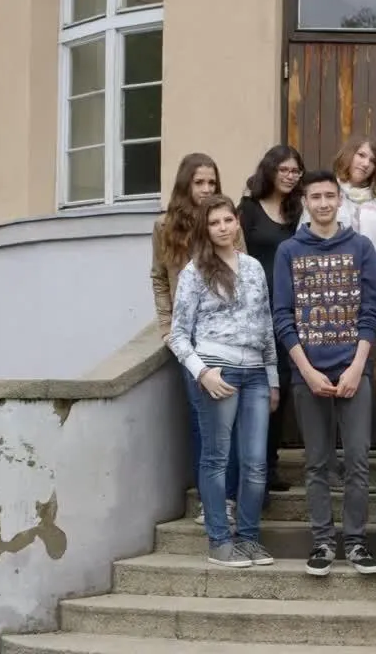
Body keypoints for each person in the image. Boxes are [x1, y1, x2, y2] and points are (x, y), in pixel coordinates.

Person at [272, 170, 376, 577]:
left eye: (329, 196)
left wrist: (357, 367)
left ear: (340, 200)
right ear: (305, 202)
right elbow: (282, 316)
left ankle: (354, 542)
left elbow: (372, 310)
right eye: (315, 197)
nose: (322, 203)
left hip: (354, 370)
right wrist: (306, 370)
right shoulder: (289, 251)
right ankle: (322, 542)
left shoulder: (361, 247)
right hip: (308, 374)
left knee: (357, 460)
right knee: (316, 463)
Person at [167, 195, 279, 568]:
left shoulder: (253, 268)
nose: (222, 228)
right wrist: (202, 372)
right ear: (205, 228)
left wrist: (273, 379)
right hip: (218, 370)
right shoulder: (195, 271)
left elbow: (266, 325)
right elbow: (178, 335)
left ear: (237, 222)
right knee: (216, 458)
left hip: (256, 374)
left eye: (227, 220)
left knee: (255, 462)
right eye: (214, 222)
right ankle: (219, 541)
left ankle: (248, 538)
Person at [150, 152, 237, 526]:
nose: (206, 189)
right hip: (190, 340)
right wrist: (166, 326)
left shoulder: (226, 223)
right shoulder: (165, 227)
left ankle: (229, 498)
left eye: (211, 182)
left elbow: (243, 272)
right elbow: (159, 277)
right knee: (202, 422)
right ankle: (209, 500)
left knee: (229, 420)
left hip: (228, 337)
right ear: (185, 184)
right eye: (199, 182)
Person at [238, 145, 306, 493]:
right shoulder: (248, 209)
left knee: (281, 383)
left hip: (288, 308)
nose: (290, 176)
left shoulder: (298, 212)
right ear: (270, 170)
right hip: (253, 309)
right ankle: (253, 467)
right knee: (258, 385)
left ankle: (271, 464)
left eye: (295, 171)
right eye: (284, 170)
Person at [301, 136, 376, 254]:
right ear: (349, 154)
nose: (366, 164)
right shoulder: (325, 194)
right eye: (361, 155)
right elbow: (304, 239)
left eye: (373, 161)